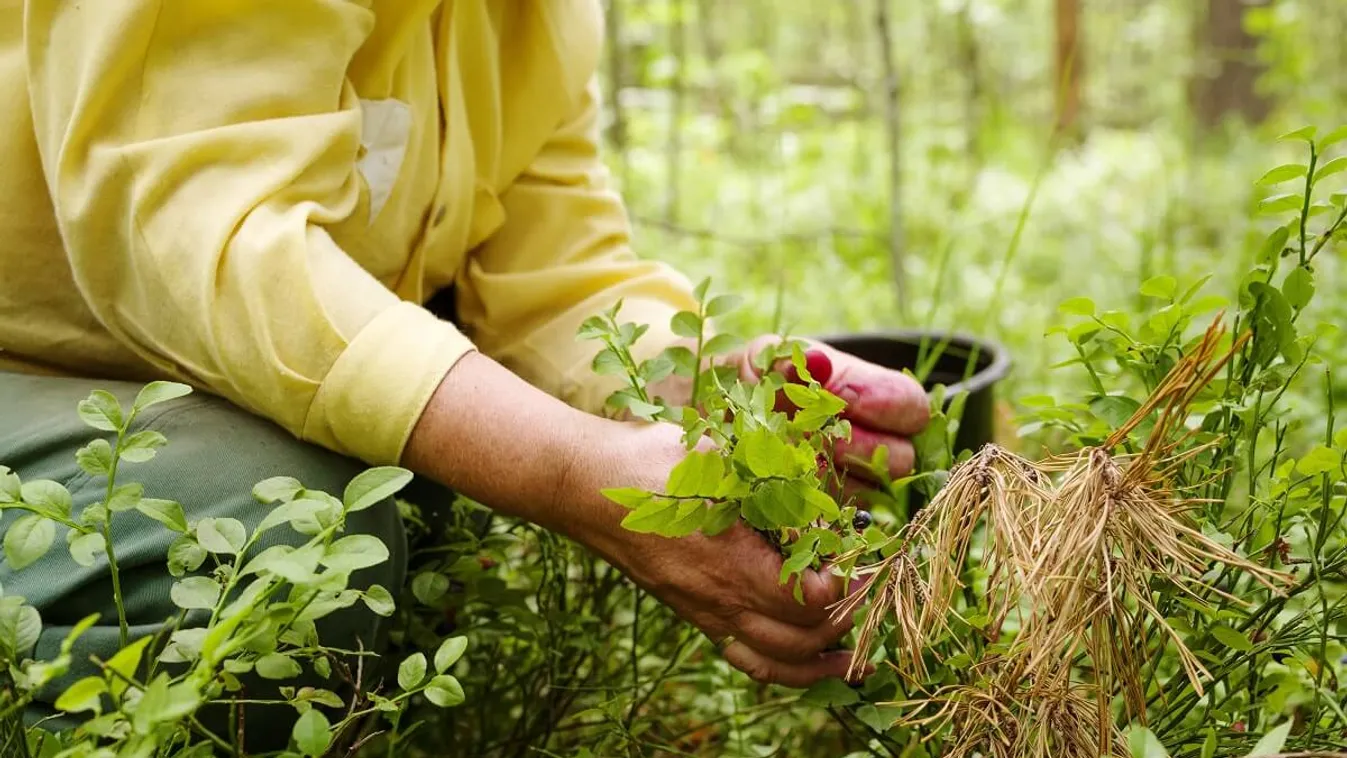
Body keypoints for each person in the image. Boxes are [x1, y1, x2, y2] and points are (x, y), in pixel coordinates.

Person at [0, 0, 930, 739]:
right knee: (261, 523)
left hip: (174, 381)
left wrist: (706, 392)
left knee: (412, 488)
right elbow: (197, 236)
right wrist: (565, 469)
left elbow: (551, 275)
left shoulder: (535, 16)